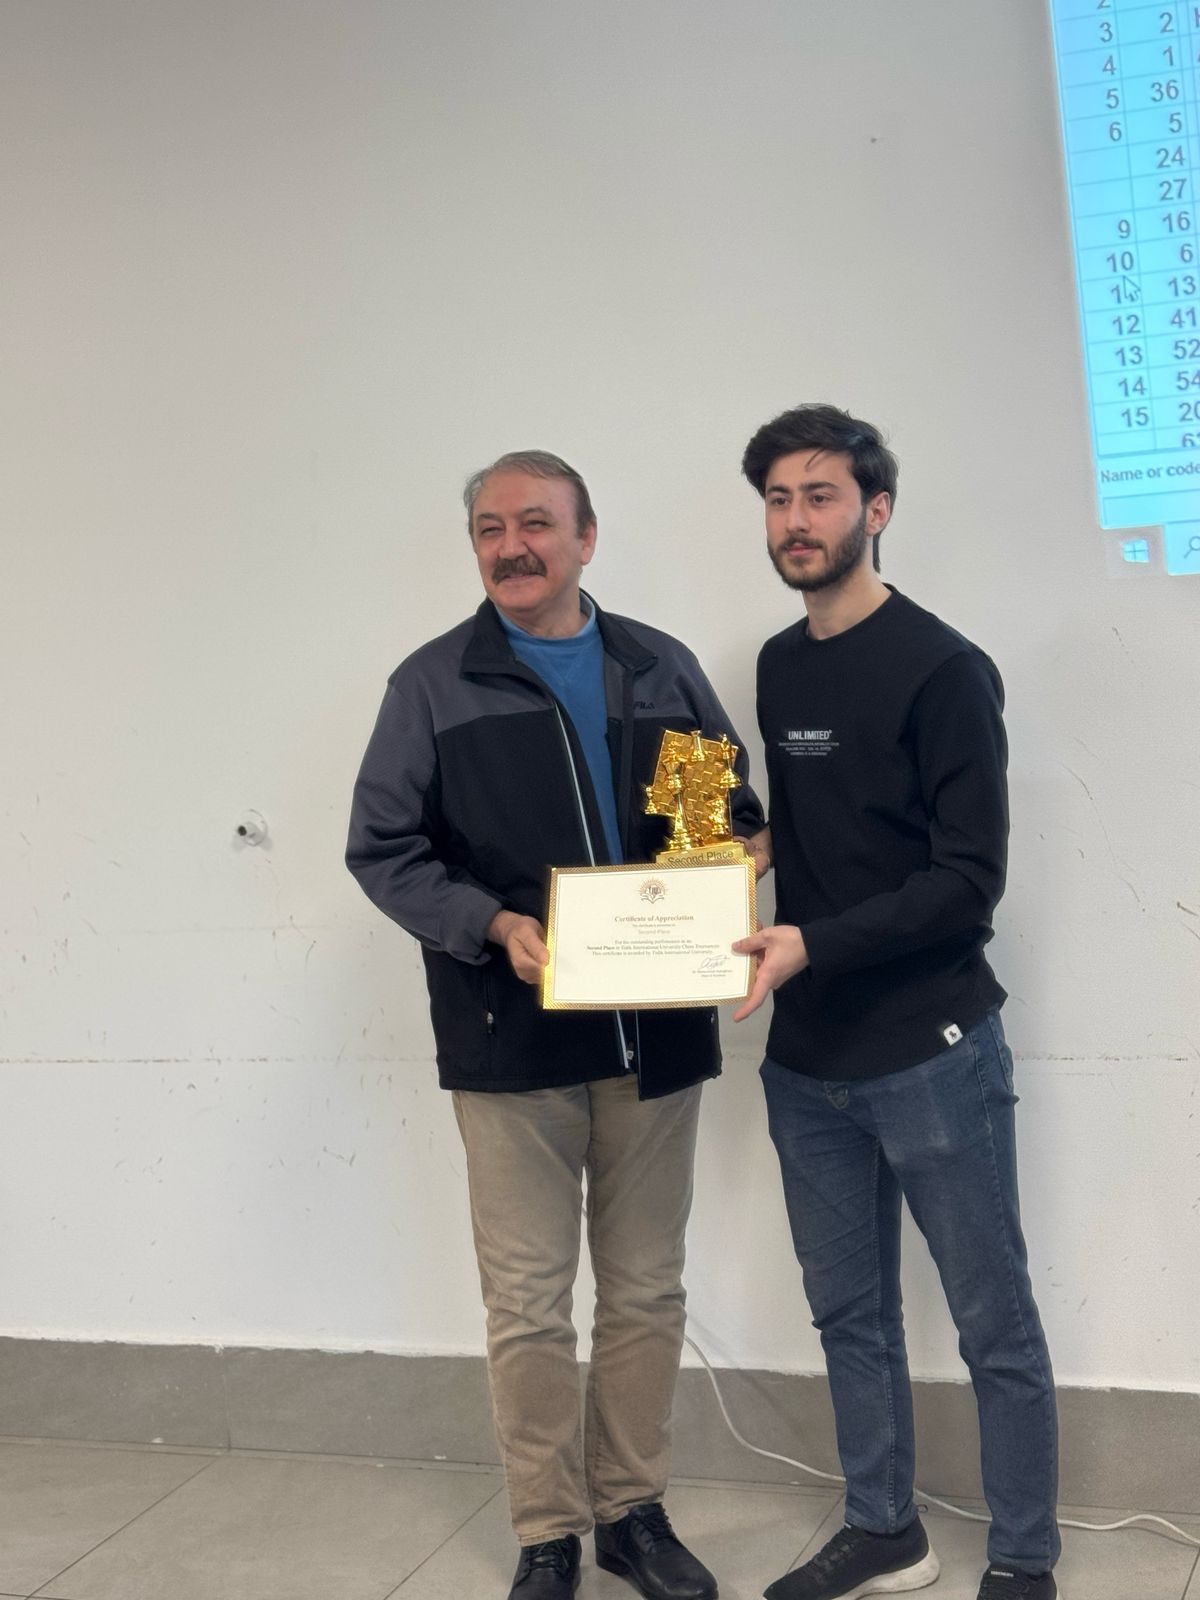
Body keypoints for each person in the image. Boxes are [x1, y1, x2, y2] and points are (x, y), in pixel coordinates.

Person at [347, 450, 764, 1600]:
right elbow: (385, 850)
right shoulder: (432, 686)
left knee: (646, 1292)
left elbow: (715, 824)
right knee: (529, 1307)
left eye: (535, 522)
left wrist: (723, 873)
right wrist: (490, 923)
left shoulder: (659, 668)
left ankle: (632, 1511)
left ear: (586, 537)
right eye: (490, 528)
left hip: (656, 1038)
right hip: (511, 1040)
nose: (511, 546)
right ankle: (547, 1530)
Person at [731, 406, 1060, 1600]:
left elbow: (967, 881)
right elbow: (823, 823)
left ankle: (1023, 1556)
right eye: (778, 498)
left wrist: (811, 941)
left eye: (819, 495)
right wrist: (741, 858)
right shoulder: (778, 665)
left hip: (932, 1051)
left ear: (875, 510)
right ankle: (885, 1529)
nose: (796, 520)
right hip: (806, 1060)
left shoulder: (944, 668)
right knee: (849, 1315)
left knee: (992, 1321)